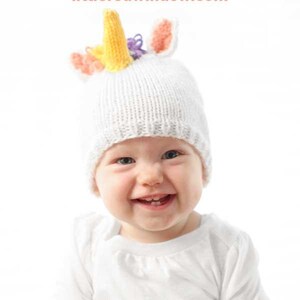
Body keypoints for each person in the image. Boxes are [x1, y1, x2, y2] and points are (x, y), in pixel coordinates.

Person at [54, 9, 269, 300]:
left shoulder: (228, 249)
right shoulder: (89, 245)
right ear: (95, 176)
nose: (151, 176)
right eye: (125, 160)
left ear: (202, 164)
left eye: (171, 154)